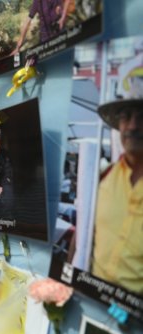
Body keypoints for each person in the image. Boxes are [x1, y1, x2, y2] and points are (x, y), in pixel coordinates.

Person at [91, 55, 143, 294]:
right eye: (126, 117)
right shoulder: (103, 176)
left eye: (142, 117)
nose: (133, 126)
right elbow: (84, 236)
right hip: (92, 299)